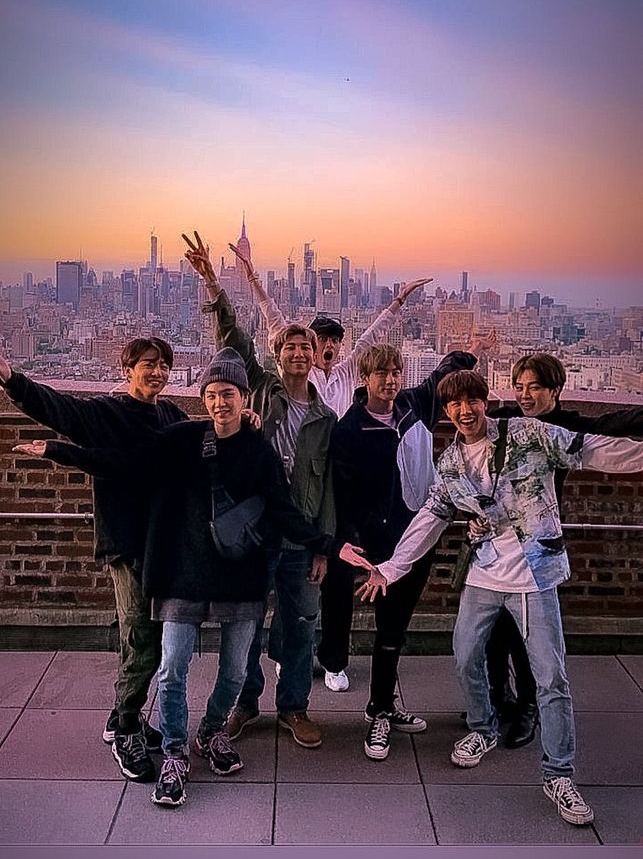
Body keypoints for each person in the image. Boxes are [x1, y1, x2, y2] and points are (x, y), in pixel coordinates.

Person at [14, 348, 334, 808]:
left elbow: (284, 511)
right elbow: (124, 462)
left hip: (239, 577)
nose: (220, 403)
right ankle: (171, 751)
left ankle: (209, 733)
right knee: (169, 667)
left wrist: (330, 544)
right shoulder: (181, 436)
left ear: (247, 399)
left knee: (234, 673)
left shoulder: (248, 445)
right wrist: (57, 450)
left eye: (228, 393)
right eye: (211, 394)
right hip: (180, 571)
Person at [342, 369, 643, 825]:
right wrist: (390, 568)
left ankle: (558, 773)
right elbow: (429, 519)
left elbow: (592, 449)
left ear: (486, 401)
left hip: (535, 577)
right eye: (454, 404)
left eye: (472, 400)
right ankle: (482, 727)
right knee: (465, 658)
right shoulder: (451, 464)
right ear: (446, 412)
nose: (464, 411)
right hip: (484, 575)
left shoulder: (529, 434)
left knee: (551, 678)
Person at [0, 337, 187, 784]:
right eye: (149, 364)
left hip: (164, 544)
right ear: (128, 369)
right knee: (143, 641)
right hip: (127, 545)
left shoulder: (170, 416)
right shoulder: (106, 414)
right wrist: (11, 379)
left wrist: (244, 418)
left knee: (145, 640)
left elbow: (203, 441)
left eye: (165, 365)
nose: (159, 372)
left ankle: (120, 717)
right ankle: (127, 729)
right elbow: (58, 409)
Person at [227, 240, 432, 694]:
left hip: (342, 482)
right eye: (323, 341)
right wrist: (251, 278)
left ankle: (330, 658)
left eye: (336, 342)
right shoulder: (295, 377)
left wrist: (400, 299)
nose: (329, 348)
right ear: (307, 346)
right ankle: (291, 662)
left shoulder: (344, 375)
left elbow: (377, 335)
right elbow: (273, 319)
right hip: (302, 484)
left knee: (332, 577)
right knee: (296, 583)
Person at [184, 232, 335, 749]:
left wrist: (323, 544)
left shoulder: (325, 417)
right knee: (246, 623)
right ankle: (246, 703)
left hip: (299, 538)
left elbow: (328, 486)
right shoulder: (262, 393)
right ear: (277, 355)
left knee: (298, 625)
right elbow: (234, 341)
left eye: (304, 347)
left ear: (317, 357)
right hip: (256, 531)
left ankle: (293, 706)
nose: (297, 352)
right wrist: (212, 283)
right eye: (288, 346)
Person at [332, 336, 492, 760]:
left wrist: (472, 351)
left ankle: (384, 703)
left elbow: (445, 373)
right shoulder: (350, 429)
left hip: (422, 536)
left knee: (398, 626)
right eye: (381, 373)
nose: (390, 380)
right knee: (387, 628)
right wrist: (353, 543)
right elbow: (344, 494)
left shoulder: (414, 405)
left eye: (396, 372)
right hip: (382, 547)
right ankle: (380, 712)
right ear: (364, 378)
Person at [484, 353, 643, 750]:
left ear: (555, 390)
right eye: (519, 387)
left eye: (534, 387)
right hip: (496, 540)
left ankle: (527, 707)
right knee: (495, 632)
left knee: (529, 637)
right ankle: (497, 697)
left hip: (537, 545)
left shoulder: (567, 427)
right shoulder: (505, 419)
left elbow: (613, 424)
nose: (525, 395)